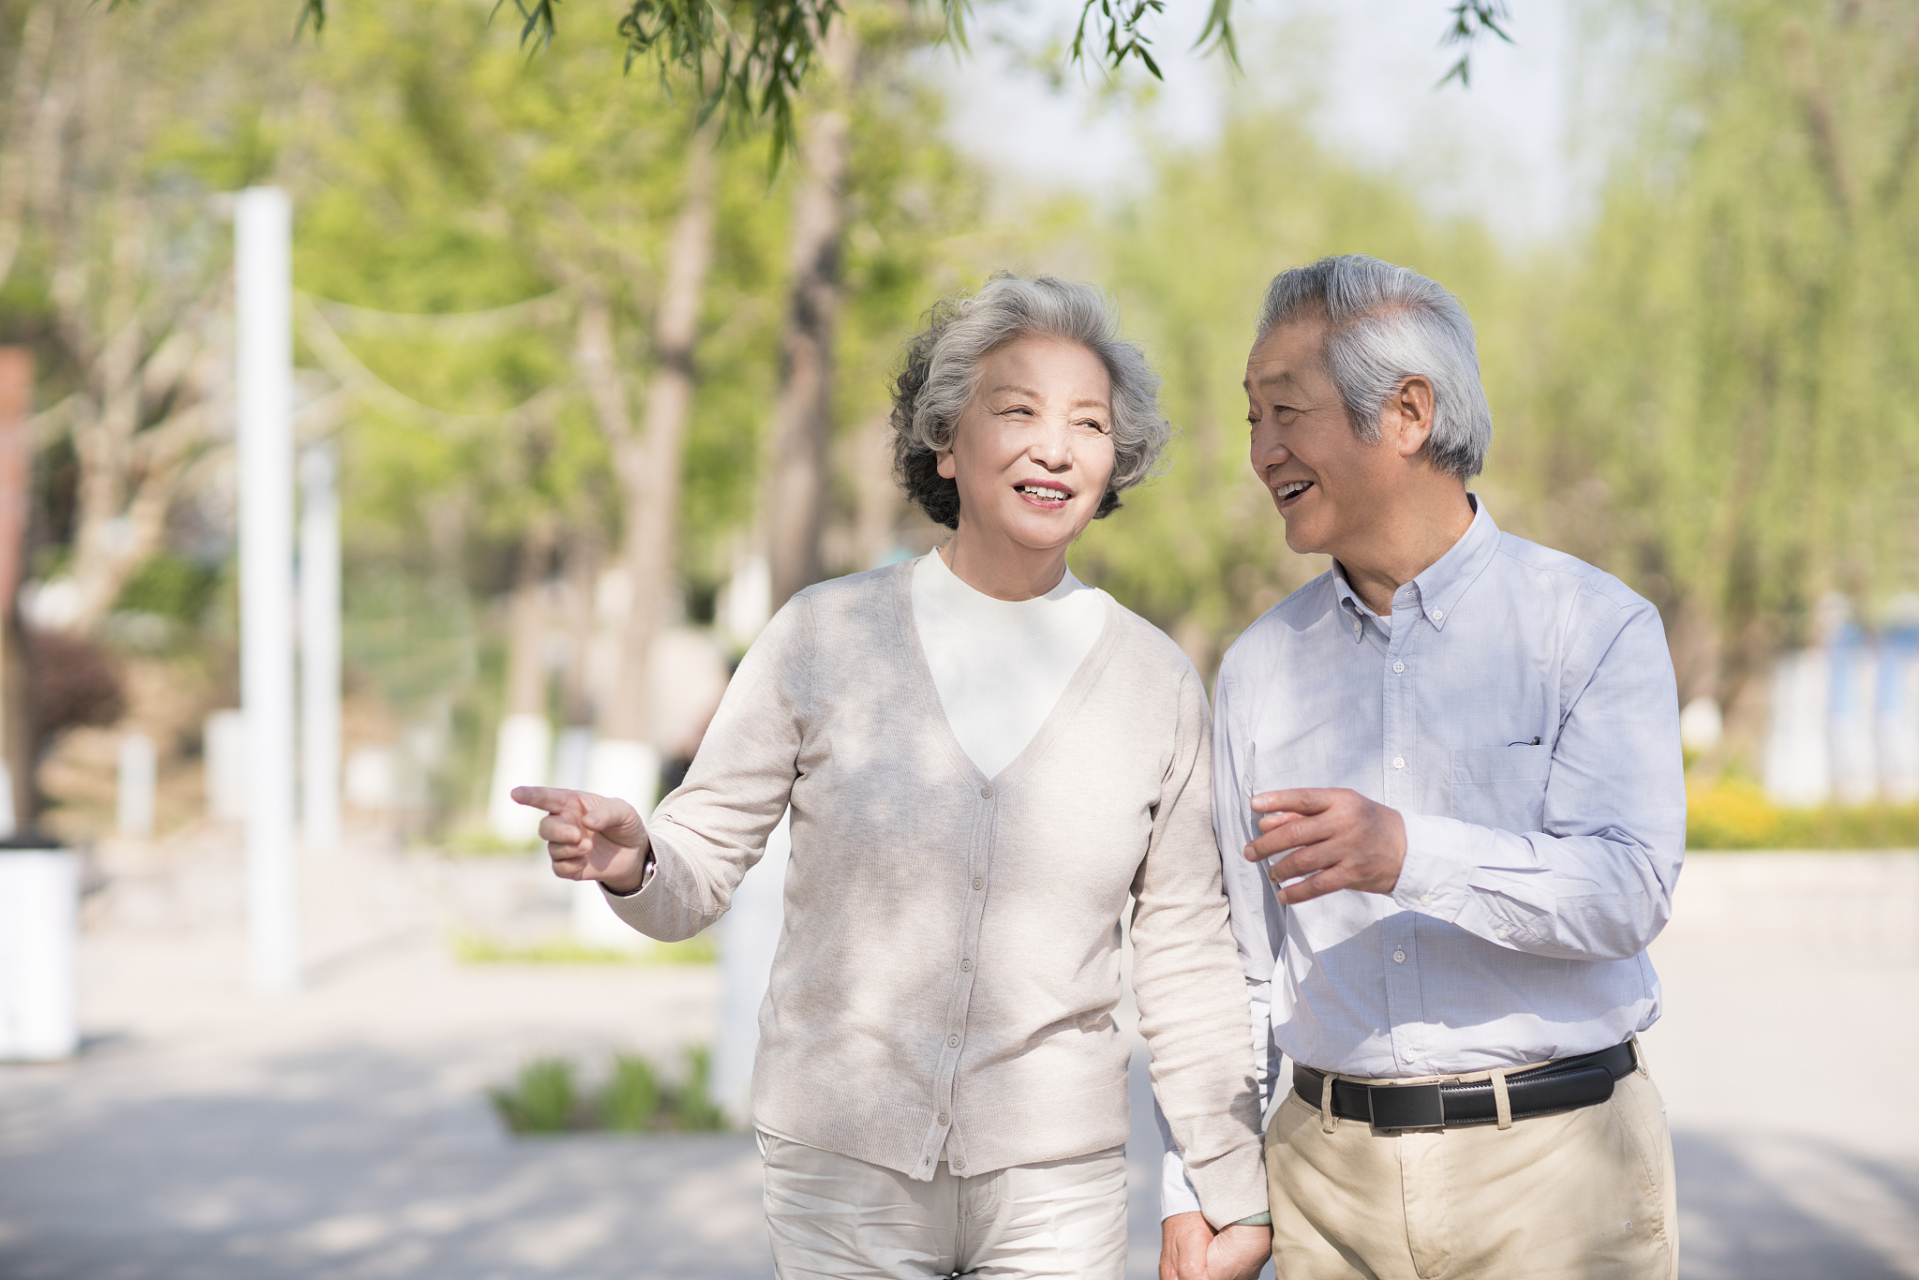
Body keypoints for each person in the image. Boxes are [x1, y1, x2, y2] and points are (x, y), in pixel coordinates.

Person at [517, 275, 1271, 1280]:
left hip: (1057, 1181)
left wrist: (1227, 1181)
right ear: (945, 445)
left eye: (1087, 423)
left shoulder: (1155, 684)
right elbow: (694, 866)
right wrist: (635, 857)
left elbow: (1185, 952)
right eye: (1018, 411)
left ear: (1111, 461)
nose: (1055, 445)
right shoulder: (825, 636)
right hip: (842, 1169)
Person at [1158, 254, 1685, 1280]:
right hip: (1324, 1185)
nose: (1258, 452)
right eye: (1251, 416)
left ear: (1405, 411)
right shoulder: (1259, 667)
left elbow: (1627, 889)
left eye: (1284, 412)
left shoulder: (1591, 626)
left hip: (1557, 1173)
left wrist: (1404, 851)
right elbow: (1235, 960)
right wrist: (1201, 1185)